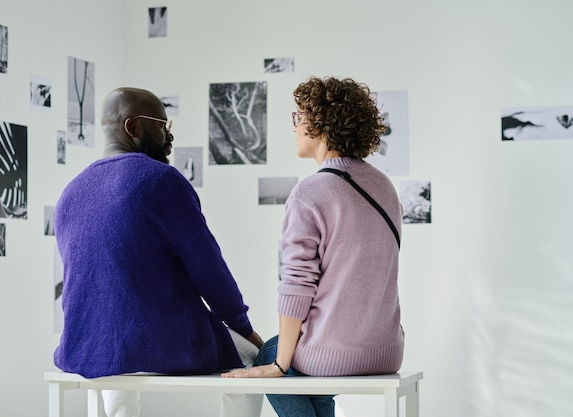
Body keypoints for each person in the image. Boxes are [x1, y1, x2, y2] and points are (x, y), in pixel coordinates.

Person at [54, 87, 264, 417]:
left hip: (87, 348)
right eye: (162, 124)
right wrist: (243, 326)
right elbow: (208, 266)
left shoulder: (70, 193)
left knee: (119, 373)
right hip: (163, 343)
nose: (169, 134)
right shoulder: (161, 180)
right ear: (133, 127)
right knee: (253, 359)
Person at [222, 76, 405, 417]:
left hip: (335, 354)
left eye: (299, 117)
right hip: (387, 349)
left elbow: (297, 287)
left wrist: (279, 364)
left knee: (271, 357)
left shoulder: (311, 192)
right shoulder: (385, 187)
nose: (294, 126)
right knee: (304, 373)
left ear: (321, 125)